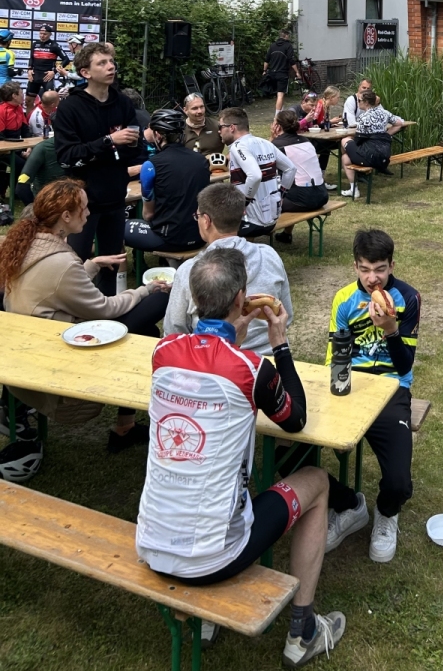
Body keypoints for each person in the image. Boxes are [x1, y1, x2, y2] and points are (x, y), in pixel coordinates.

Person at [136, 246, 345, 666]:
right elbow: (296, 420)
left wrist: (231, 331)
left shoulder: (163, 351)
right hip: (213, 556)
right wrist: (279, 343)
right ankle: (302, 631)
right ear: (241, 298)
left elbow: (204, 359)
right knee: (317, 482)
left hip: (151, 543)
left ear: (193, 298)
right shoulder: (251, 369)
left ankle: (207, 619)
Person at [0, 179, 171, 451]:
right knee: (159, 300)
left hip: (33, 344)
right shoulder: (61, 262)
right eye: (84, 208)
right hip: (59, 360)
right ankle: (134, 420)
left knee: (146, 331)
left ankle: (125, 426)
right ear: (66, 216)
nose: (89, 213)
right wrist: (144, 290)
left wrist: (90, 265)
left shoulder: (28, 242)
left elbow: (58, 286)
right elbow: (104, 308)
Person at [319, 229, 420, 564]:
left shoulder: (407, 298)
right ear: (355, 267)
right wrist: (337, 400)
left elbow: (404, 364)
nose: (372, 278)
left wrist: (390, 329)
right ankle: (348, 505)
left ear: (392, 265)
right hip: (350, 383)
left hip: (392, 388)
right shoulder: (344, 299)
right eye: (365, 269)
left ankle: (387, 513)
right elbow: (335, 356)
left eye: (380, 269)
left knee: (399, 482)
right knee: (289, 448)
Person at [163, 182, 293, 354]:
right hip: (272, 355)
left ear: (206, 221)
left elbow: (174, 331)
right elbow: (286, 315)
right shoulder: (270, 255)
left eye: (198, 216)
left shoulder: (189, 270)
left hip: (215, 360)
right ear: (242, 215)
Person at [53, 41, 139, 290]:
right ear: (85, 72)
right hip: (82, 200)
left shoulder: (122, 103)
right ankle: (71, 307)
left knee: (112, 263)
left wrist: (121, 147)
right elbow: (67, 156)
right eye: (102, 63)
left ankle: (108, 306)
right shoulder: (71, 107)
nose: (111, 66)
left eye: (111, 61)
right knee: (76, 263)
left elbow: (135, 149)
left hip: (115, 196)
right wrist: (108, 142)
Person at [124, 109, 211, 255]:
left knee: (116, 226)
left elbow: (148, 215)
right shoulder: (201, 160)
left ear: (157, 135)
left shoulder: (150, 166)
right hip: (200, 234)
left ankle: (120, 270)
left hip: (168, 239)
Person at [218, 107, 296, 238]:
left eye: (220, 127)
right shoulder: (266, 143)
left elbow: (255, 176)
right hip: (272, 219)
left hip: (251, 222)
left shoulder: (238, 147)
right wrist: (282, 194)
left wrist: (243, 203)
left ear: (232, 128)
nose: (219, 131)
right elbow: (291, 169)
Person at [270, 110, 330, 233]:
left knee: (264, 202)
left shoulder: (277, 145)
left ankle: (264, 231)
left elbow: (264, 164)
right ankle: (287, 233)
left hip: (302, 200)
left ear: (278, 126)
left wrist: (272, 137)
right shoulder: (306, 141)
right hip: (321, 195)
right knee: (290, 184)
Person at [339, 91, 406, 200]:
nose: (358, 102)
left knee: (345, 140)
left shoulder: (364, 117)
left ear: (366, 102)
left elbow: (358, 141)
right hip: (384, 156)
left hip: (370, 157)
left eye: (359, 100)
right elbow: (399, 123)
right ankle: (353, 189)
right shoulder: (384, 112)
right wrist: (386, 135)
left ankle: (354, 188)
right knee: (345, 158)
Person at [15, 135, 64, 205]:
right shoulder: (43, 148)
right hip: (48, 203)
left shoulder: (79, 147)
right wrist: (34, 207)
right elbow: (22, 185)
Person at [26, 25, 67, 107]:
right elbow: (31, 58)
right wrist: (29, 70)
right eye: (40, 33)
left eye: (45, 34)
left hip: (47, 77)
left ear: (50, 34)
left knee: (50, 102)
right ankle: (29, 116)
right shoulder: (35, 44)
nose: (42, 36)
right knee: (28, 101)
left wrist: (54, 71)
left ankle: (49, 116)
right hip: (35, 76)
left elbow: (66, 59)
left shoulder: (54, 45)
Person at [263, 28, 301, 114]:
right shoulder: (288, 46)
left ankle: (281, 113)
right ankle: (277, 116)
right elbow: (291, 60)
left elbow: (266, 60)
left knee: (280, 95)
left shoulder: (272, 45)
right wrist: (297, 72)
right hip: (282, 73)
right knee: (280, 95)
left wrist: (264, 71)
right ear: (286, 36)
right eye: (288, 35)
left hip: (272, 73)